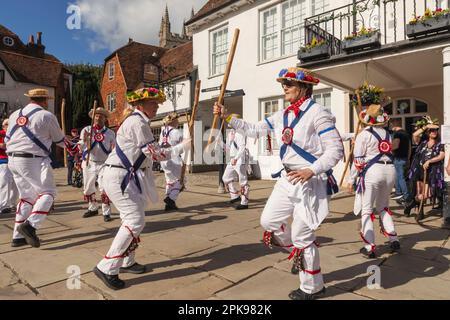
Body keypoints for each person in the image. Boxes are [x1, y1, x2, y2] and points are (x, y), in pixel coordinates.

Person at [214, 67, 344, 300]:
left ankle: (312, 287)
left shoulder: (319, 113)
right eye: (283, 83)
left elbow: (336, 150)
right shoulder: (281, 114)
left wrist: (311, 170)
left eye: (289, 84)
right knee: (269, 221)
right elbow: (254, 130)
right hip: (286, 179)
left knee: (303, 235)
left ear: (304, 88)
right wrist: (227, 116)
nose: (284, 87)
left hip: (310, 181)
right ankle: (298, 253)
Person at [93, 87, 190, 290]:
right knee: (134, 220)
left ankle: (127, 261)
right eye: (153, 103)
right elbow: (154, 154)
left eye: (156, 102)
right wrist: (182, 147)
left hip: (124, 176)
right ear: (140, 105)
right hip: (119, 176)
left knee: (132, 219)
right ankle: (107, 266)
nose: (157, 106)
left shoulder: (139, 122)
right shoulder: (138, 123)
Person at [5, 88, 69, 248]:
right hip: (33, 159)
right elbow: (60, 141)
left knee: (27, 197)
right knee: (48, 194)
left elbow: (7, 137)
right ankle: (30, 226)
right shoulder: (46, 115)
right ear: (45, 100)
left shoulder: (15, 115)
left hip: (12, 159)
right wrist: (74, 144)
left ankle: (17, 237)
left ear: (30, 99)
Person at [352, 103, 400, 259]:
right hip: (390, 170)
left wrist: (356, 178)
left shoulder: (363, 134)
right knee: (384, 207)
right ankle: (393, 239)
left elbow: (358, 161)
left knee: (367, 209)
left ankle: (370, 246)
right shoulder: (388, 134)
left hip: (373, 172)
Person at [404, 117, 445, 221]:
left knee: (427, 194)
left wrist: (429, 161)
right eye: (431, 130)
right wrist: (426, 126)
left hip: (433, 172)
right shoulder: (423, 142)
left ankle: (411, 203)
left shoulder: (440, 144)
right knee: (419, 192)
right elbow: (414, 135)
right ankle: (420, 210)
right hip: (419, 171)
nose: (434, 132)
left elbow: (441, 156)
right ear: (428, 132)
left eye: (435, 130)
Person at [79, 108, 115, 222]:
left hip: (104, 164)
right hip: (89, 162)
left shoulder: (110, 133)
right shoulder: (87, 129)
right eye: (96, 116)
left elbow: (113, 149)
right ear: (93, 118)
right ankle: (93, 208)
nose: (98, 118)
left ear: (105, 119)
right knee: (88, 188)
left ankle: (106, 212)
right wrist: (85, 140)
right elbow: (80, 147)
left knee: (104, 187)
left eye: (101, 116)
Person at [222, 114, 250, 210]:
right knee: (226, 178)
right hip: (232, 158)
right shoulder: (231, 133)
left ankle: (244, 203)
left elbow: (242, 147)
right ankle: (235, 196)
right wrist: (220, 143)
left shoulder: (241, 132)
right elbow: (229, 148)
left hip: (240, 158)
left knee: (243, 181)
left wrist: (236, 158)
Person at [159, 112, 183, 211]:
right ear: (173, 121)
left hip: (164, 159)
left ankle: (169, 205)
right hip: (174, 158)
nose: (178, 121)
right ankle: (170, 199)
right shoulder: (177, 132)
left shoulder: (163, 131)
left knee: (170, 181)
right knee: (180, 181)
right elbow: (183, 147)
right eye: (177, 120)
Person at [390, 118, 411, 204]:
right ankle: (398, 193)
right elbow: (409, 147)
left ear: (395, 123)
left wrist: (387, 148)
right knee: (398, 177)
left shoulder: (398, 134)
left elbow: (395, 145)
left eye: (391, 124)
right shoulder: (406, 134)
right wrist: (408, 158)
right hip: (405, 158)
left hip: (398, 158)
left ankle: (406, 196)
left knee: (400, 177)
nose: (391, 126)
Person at [0, 119, 18, 214]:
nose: (8, 126)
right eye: (7, 124)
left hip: (14, 161)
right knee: (5, 183)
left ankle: (12, 204)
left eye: (10, 124)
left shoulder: (14, 134)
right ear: (3, 126)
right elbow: (2, 145)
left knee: (15, 184)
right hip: (3, 161)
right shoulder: (1, 133)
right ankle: (3, 206)